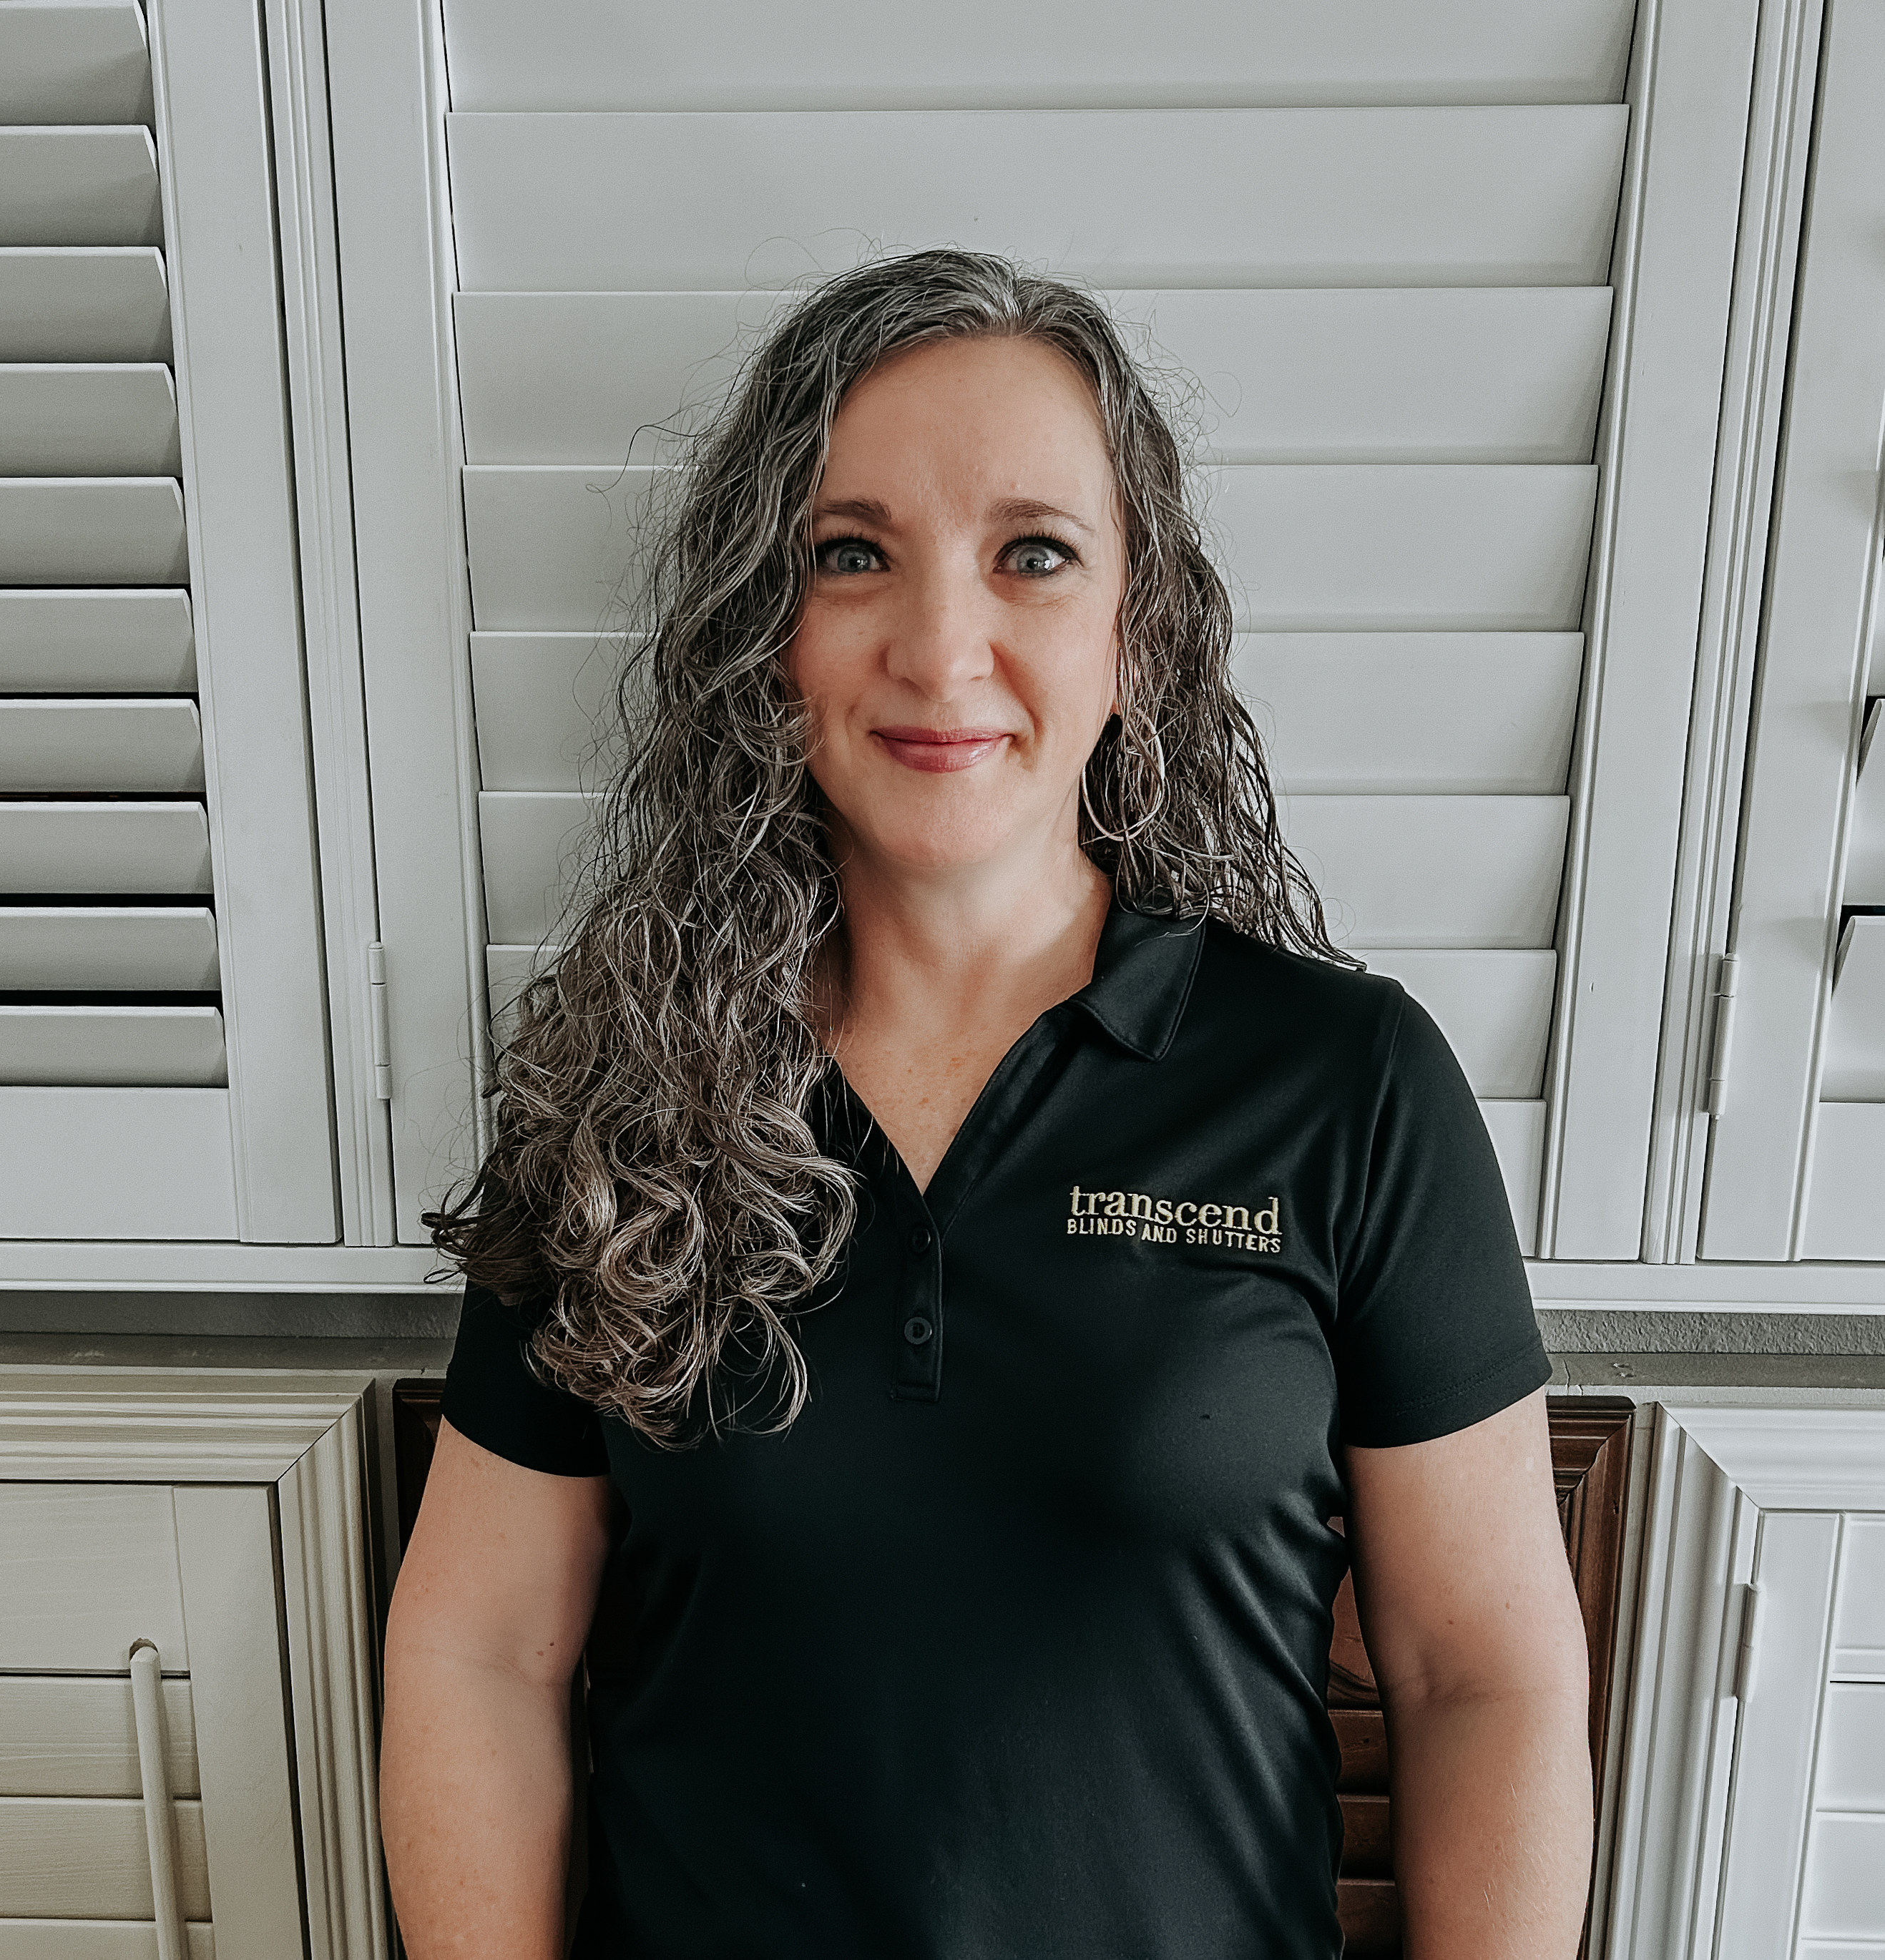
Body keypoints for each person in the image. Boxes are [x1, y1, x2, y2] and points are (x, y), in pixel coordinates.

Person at [381, 249, 1593, 1959]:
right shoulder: (621, 1091)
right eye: (849, 553)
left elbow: (1482, 1673)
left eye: (1032, 552)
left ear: (1135, 629)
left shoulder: (1345, 1084)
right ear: (762, 634)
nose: (940, 648)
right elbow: (481, 1649)